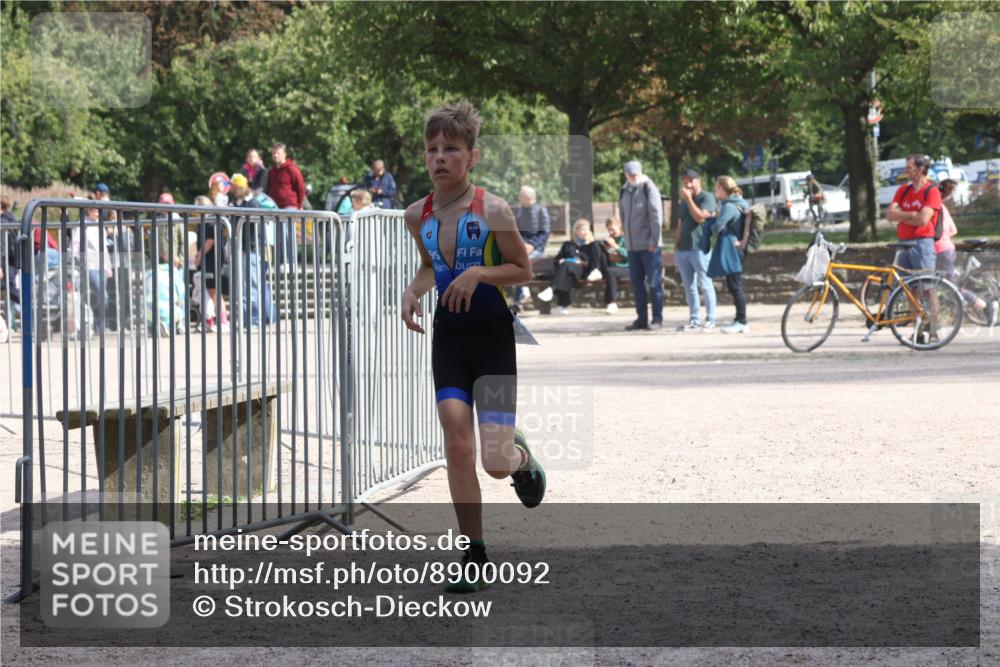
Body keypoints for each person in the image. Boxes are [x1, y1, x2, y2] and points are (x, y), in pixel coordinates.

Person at [401, 100, 545, 593]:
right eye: (431, 149)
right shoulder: (414, 214)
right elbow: (429, 266)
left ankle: (521, 460)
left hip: (492, 337)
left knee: (495, 461)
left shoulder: (493, 209)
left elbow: (523, 270)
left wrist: (480, 271)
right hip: (450, 341)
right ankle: (475, 553)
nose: (439, 157)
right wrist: (413, 291)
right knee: (457, 447)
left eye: (451, 149)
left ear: (472, 156)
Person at [934, 179, 998, 325]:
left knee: (950, 288)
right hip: (947, 248)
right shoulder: (942, 208)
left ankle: (985, 306)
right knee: (944, 285)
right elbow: (954, 230)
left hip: (939, 250)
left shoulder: (934, 207)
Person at [618, 160, 665, 330]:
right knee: (637, 285)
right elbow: (623, 215)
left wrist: (654, 240)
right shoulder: (624, 189)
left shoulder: (648, 187)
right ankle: (641, 319)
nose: (633, 177)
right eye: (630, 174)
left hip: (649, 245)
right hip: (632, 246)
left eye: (635, 174)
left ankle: (657, 319)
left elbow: (656, 216)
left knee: (654, 283)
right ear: (626, 174)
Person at [701, 176, 751, 334]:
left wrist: (712, 221)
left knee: (735, 286)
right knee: (733, 285)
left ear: (723, 189)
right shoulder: (737, 203)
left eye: (717, 188)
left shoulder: (729, 206)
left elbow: (716, 228)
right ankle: (738, 319)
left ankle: (742, 321)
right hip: (735, 248)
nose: (715, 191)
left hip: (732, 250)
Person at [673, 168, 717, 331]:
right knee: (689, 287)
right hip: (683, 249)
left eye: (691, 180)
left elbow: (700, 218)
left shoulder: (706, 197)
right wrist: (676, 246)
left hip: (699, 247)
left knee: (705, 284)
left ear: (699, 181)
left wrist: (690, 200)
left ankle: (711, 319)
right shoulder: (683, 201)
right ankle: (694, 320)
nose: (688, 183)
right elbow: (680, 224)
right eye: (685, 181)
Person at [536, 219, 602, 315]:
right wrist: (561, 261)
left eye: (585, 230)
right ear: (575, 231)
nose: (583, 232)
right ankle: (562, 307)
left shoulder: (593, 245)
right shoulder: (568, 244)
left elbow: (594, 262)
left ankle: (552, 289)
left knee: (566, 267)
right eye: (580, 230)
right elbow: (557, 259)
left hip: (583, 271)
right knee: (566, 271)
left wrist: (582, 262)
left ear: (589, 231)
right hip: (568, 271)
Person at [74, 200, 114, 334]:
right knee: (100, 293)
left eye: (98, 211)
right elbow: (75, 244)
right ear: (88, 211)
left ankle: (99, 324)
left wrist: (109, 266)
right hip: (89, 263)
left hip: (102, 263)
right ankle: (98, 324)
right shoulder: (81, 225)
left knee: (102, 296)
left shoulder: (100, 225)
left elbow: (104, 248)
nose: (97, 213)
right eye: (95, 210)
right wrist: (78, 261)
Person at [193, 194, 229, 332]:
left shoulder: (210, 221)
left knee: (214, 292)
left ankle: (223, 320)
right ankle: (212, 320)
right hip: (208, 261)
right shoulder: (206, 221)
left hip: (212, 260)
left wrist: (199, 255)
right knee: (210, 291)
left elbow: (210, 240)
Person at [511, 185, 551, 310]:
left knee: (521, 261)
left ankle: (520, 297)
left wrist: (532, 245)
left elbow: (545, 233)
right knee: (514, 260)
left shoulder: (541, 211)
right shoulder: (518, 212)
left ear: (528, 198)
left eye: (521, 196)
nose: (519, 198)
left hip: (536, 249)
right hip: (522, 248)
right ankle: (524, 293)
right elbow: (516, 232)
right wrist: (522, 244)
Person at [267, 143, 305, 266]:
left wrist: (299, 206)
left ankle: (291, 261)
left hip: (290, 206)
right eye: (273, 153)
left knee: (288, 234)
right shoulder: (272, 172)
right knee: (279, 235)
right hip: (276, 207)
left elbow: (301, 188)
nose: (275, 155)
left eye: (278, 153)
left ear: (284, 154)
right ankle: (281, 262)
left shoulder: (291, 168)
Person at [599, 216, 629, 314]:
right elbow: (614, 255)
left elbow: (628, 256)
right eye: (609, 230)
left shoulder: (627, 238)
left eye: (612, 229)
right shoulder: (610, 239)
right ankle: (596, 270)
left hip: (627, 268)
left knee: (610, 272)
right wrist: (609, 249)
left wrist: (615, 246)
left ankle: (611, 302)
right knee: (599, 247)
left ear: (619, 226)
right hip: (614, 267)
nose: (611, 232)